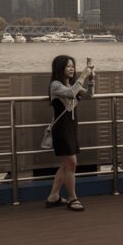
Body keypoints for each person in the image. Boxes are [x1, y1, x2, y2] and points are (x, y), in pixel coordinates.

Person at [45, 55, 94, 211]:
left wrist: (91, 80)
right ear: (60, 68)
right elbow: (71, 94)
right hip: (61, 128)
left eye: (73, 66)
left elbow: (89, 95)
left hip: (71, 127)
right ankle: (72, 198)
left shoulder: (73, 84)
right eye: (68, 66)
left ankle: (53, 196)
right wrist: (83, 76)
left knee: (67, 164)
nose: (72, 69)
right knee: (72, 163)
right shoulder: (55, 85)